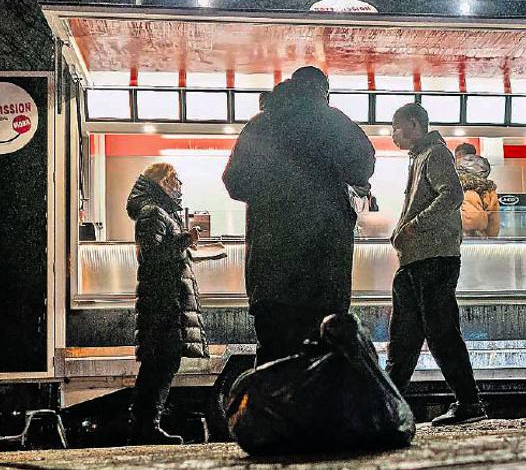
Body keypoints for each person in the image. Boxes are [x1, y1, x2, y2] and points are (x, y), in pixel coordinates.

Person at [223, 66, 375, 366]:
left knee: (273, 361)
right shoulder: (336, 124)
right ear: (324, 92)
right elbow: (363, 167)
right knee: (324, 363)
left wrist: (274, 189)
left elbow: (234, 181)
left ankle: (270, 411)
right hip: (325, 271)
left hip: (271, 273)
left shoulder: (261, 124)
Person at [386, 103, 487, 426]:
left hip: (434, 258)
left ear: (414, 125)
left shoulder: (436, 154)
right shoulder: (420, 157)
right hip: (415, 260)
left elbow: (451, 196)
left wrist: (414, 226)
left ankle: (469, 403)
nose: (392, 135)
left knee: (440, 331)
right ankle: (388, 406)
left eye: (396, 128)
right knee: (404, 337)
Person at [125, 162, 209, 445]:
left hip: (165, 299)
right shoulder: (153, 212)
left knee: (162, 362)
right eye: (175, 182)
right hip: (163, 302)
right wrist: (184, 239)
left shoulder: (159, 212)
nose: (179, 188)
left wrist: (182, 243)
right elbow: (151, 256)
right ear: (162, 182)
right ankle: (145, 427)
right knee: (160, 363)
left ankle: (146, 425)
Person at [454, 143, 500, 238]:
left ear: (458, 155)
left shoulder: (451, 179)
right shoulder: (487, 186)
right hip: (479, 238)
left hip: (456, 237)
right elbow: (494, 222)